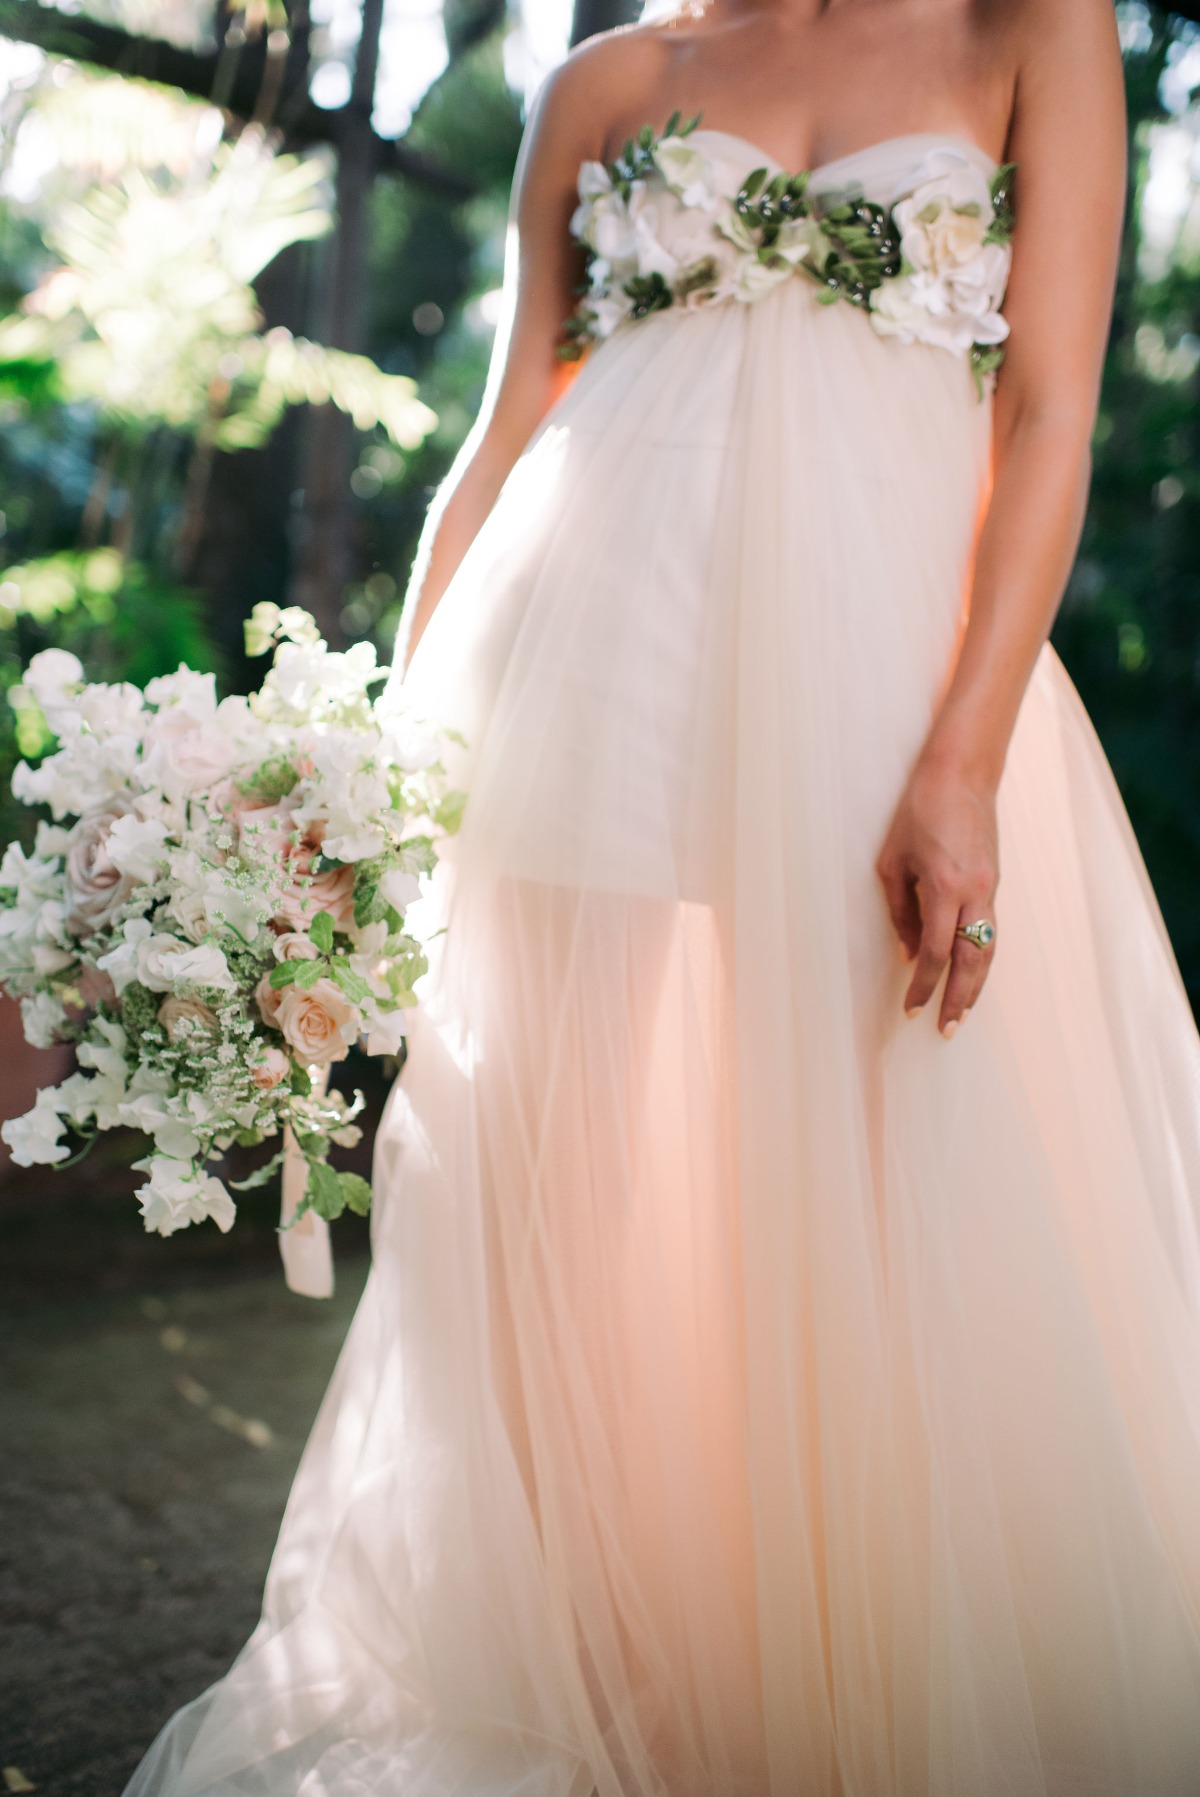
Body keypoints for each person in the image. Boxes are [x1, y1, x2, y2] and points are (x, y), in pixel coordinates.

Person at [126, 1, 1200, 1792]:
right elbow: (501, 433)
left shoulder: (1031, 26)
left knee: (876, 1155)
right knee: (558, 1161)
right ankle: (592, 1667)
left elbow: (1051, 406)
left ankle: (851, 1676)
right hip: (584, 657)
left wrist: (963, 758)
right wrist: (373, 761)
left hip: (871, 672)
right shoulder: (610, 79)